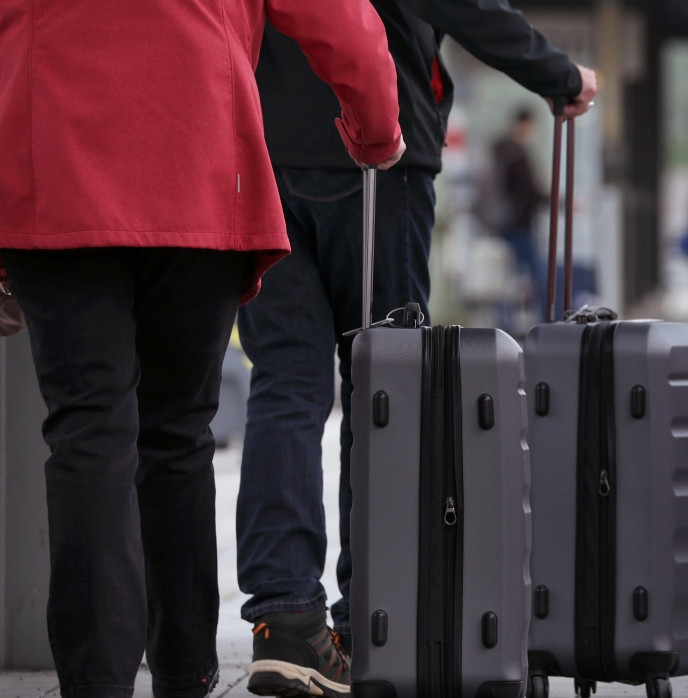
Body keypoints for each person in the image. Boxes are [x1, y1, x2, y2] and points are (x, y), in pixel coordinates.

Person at [0, 0, 404, 696]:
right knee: (177, 433)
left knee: (88, 429)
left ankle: (95, 682)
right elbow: (339, 18)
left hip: (55, 155)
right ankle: (184, 672)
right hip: (198, 156)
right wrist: (376, 128)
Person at [237, 2, 597, 695]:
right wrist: (558, 75)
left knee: (283, 381)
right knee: (387, 387)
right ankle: (376, 617)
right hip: (376, 148)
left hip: (264, 150)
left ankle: (283, 621)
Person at [487, 107, 550, 329]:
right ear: (525, 124)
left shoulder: (500, 151)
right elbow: (530, 191)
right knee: (538, 277)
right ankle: (545, 324)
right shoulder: (517, 154)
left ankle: (503, 325)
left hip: (503, 223)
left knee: (507, 279)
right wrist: (559, 202)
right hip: (519, 225)